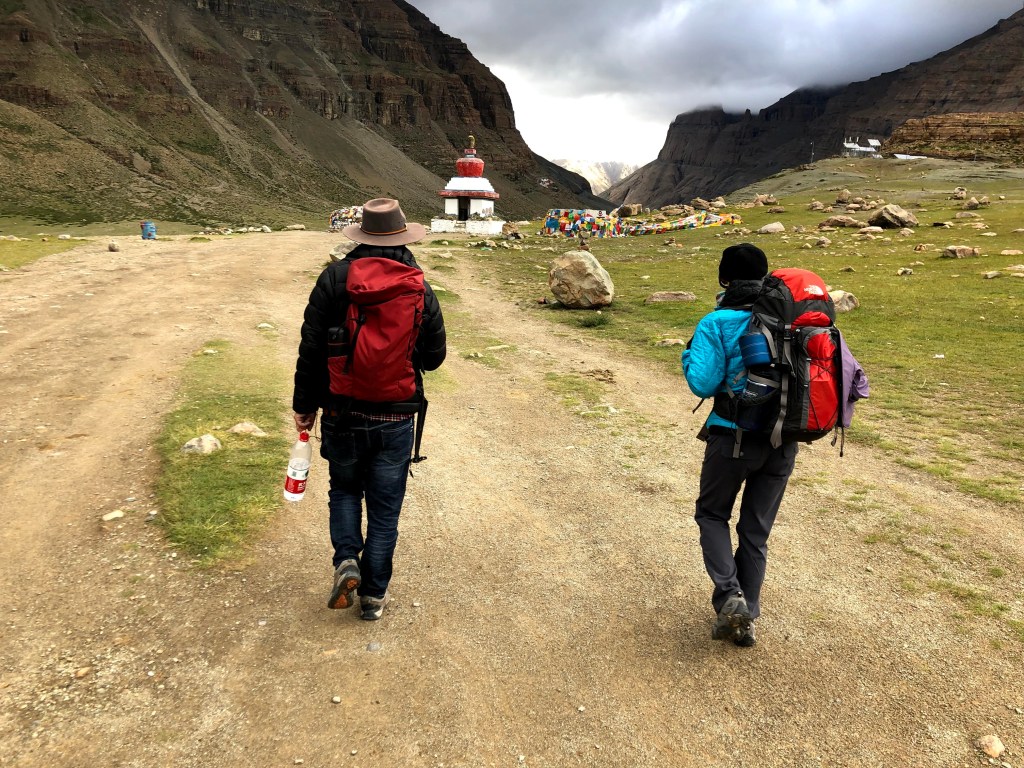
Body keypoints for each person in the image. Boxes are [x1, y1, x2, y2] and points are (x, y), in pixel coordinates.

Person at [292, 198, 447, 621]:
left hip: (341, 411)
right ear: (403, 237)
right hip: (396, 416)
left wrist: (304, 406)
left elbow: (311, 348)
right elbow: (434, 358)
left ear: (361, 235)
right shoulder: (419, 285)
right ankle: (374, 597)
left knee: (344, 490)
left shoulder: (334, 279)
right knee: (384, 510)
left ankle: (347, 560)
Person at [681, 243, 798, 648]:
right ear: (766, 277)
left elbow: (702, 382)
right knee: (755, 531)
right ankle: (747, 616)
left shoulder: (717, 322)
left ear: (723, 278)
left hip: (731, 436)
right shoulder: (791, 319)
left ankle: (731, 596)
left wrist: (687, 356)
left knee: (712, 514)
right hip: (784, 440)